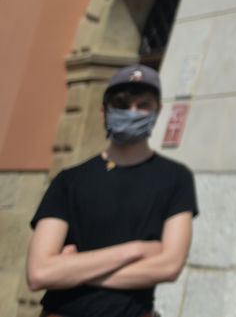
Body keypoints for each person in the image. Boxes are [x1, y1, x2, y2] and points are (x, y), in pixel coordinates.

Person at [26, 64, 198, 317]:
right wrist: (136, 250)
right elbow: (39, 273)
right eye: (121, 105)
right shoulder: (69, 180)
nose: (132, 112)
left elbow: (169, 267)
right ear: (103, 112)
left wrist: (71, 269)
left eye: (143, 105)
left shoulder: (175, 178)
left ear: (158, 110)